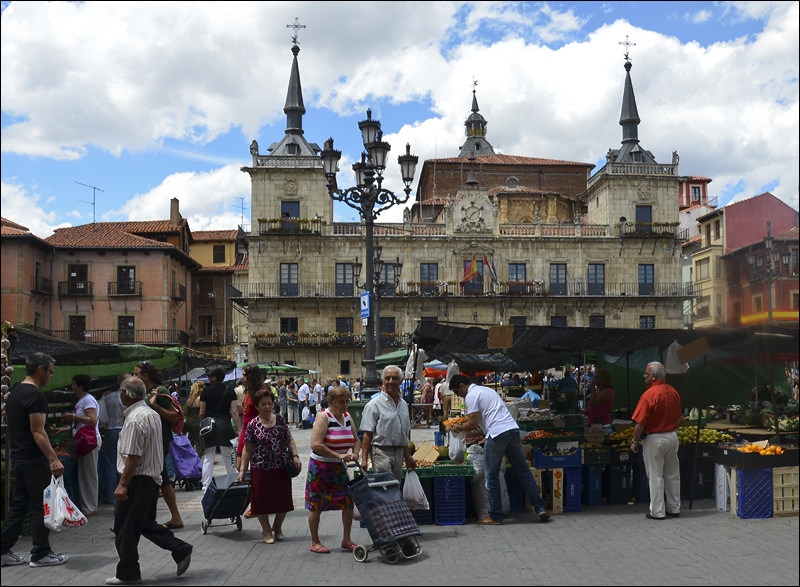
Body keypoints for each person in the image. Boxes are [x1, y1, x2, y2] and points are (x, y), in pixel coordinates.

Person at [107, 376, 192, 585]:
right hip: (151, 479)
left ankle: (128, 574)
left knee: (125, 528)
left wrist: (122, 484)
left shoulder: (136, 418)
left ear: (125, 394)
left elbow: (133, 457)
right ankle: (180, 549)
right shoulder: (150, 414)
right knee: (144, 523)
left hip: (139, 480)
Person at [449, 373, 550, 525]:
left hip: (497, 435)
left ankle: (495, 516)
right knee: (522, 470)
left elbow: (472, 423)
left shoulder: (471, 396)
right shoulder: (487, 391)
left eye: (457, 392)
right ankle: (540, 507)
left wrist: (458, 428)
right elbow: (487, 421)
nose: (459, 395)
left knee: (491, 476)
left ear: (462, 386)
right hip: (512, 430)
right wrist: (473, 433)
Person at [1, 352, 69, 568]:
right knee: (42, 506)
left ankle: (2, 550)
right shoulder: (35, 395)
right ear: (40, 369)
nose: (51, 375)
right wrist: (53, 459)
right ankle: (40, 552)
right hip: (34, 459)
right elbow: (38, 431)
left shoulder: (14, 393)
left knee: (18, 506)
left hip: (19, 457)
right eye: (50, 371)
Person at [237, 388, 298, 544]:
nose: (266, 407)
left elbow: (289, 439)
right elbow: (247, 448)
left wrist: (295, 456)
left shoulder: (280, 420)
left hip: (280, 467)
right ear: (257, 406)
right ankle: (266, 531)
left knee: (283, 501)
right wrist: (243, 470)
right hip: (260, 468)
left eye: (269, 404)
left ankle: (277, 527)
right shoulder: (252, 425)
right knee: (260, 502)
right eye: (263, 404)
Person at [305, 384, 361, 554]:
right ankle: (315, 541)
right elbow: (315, 444)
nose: (345, 405)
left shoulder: (347, 416)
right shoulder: (324, 417)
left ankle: (347, 539)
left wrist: (355, 454)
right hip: (320, 468)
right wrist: (338, 455)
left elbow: (356, 440)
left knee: (347, 502)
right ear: (331, 402)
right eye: (341, 402)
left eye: (347, 402)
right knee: (316, 504)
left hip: (338, 469)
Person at [133, 361, 184, 530]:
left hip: (159, 440)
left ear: (145, 376)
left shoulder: (159, 391)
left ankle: (147, 518)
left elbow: (174, 417)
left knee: (157, 476)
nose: (134, 377)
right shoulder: (143, 392)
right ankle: (168, 517)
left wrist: (155, 405)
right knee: (158, 477)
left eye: (136, 374)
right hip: (147, 440)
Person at [630, 361, 682, 521]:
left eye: (646, 373)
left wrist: (634, 440)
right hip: (672, 436)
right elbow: (678, 416)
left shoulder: (648, 395)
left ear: (653, 377)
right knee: (673, 474)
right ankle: (674, 508)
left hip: (654, 438)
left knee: (655, 476)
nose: (644, 376)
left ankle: (657, 511)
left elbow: (640, 423)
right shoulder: (673, 392)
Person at [359, 365, 415, 482]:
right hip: (381, 452)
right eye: (387, 378)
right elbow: (367, 435)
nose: (391, 382)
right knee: (385, 487)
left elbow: (403, 435)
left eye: (394, 378)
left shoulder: (403, 405)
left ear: (400, 381)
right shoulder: (373, 405)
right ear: (383, 381)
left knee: (396, 486)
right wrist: (364, 459)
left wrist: (408, 457)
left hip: (399, 452)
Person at [63, 373, 101, 516]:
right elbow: (81, 423)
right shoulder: (82, 400)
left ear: (80, 386)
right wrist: (68, 427)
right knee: (84, 473)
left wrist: (73, 416)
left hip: (89, 441)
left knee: (89, 474)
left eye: (74, 384)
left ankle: (91, 507)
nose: (72, 387)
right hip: (84, 440)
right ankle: (88, 505)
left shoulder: (88, 400)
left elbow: (92, 420)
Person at [198, 364, 240, 493]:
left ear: (214, 377)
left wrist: (202, 424)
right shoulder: (230, 390)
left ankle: (205, 486)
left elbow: (201, 411)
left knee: (208, 457)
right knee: (228, 456)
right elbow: (234, 411)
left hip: (210, 426)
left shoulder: (206, 391)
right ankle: (233, 482)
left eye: (209, 375)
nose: (208, 378)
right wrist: (238, 428)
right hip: (225, 425)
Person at [97, 375, 127, 505]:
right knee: (125, 462)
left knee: (110, 464)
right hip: (125, 430)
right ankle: (124, 492)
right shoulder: (129, 397)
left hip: (111, 431)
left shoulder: (108, 397)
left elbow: (102, 418)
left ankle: (110, 496)